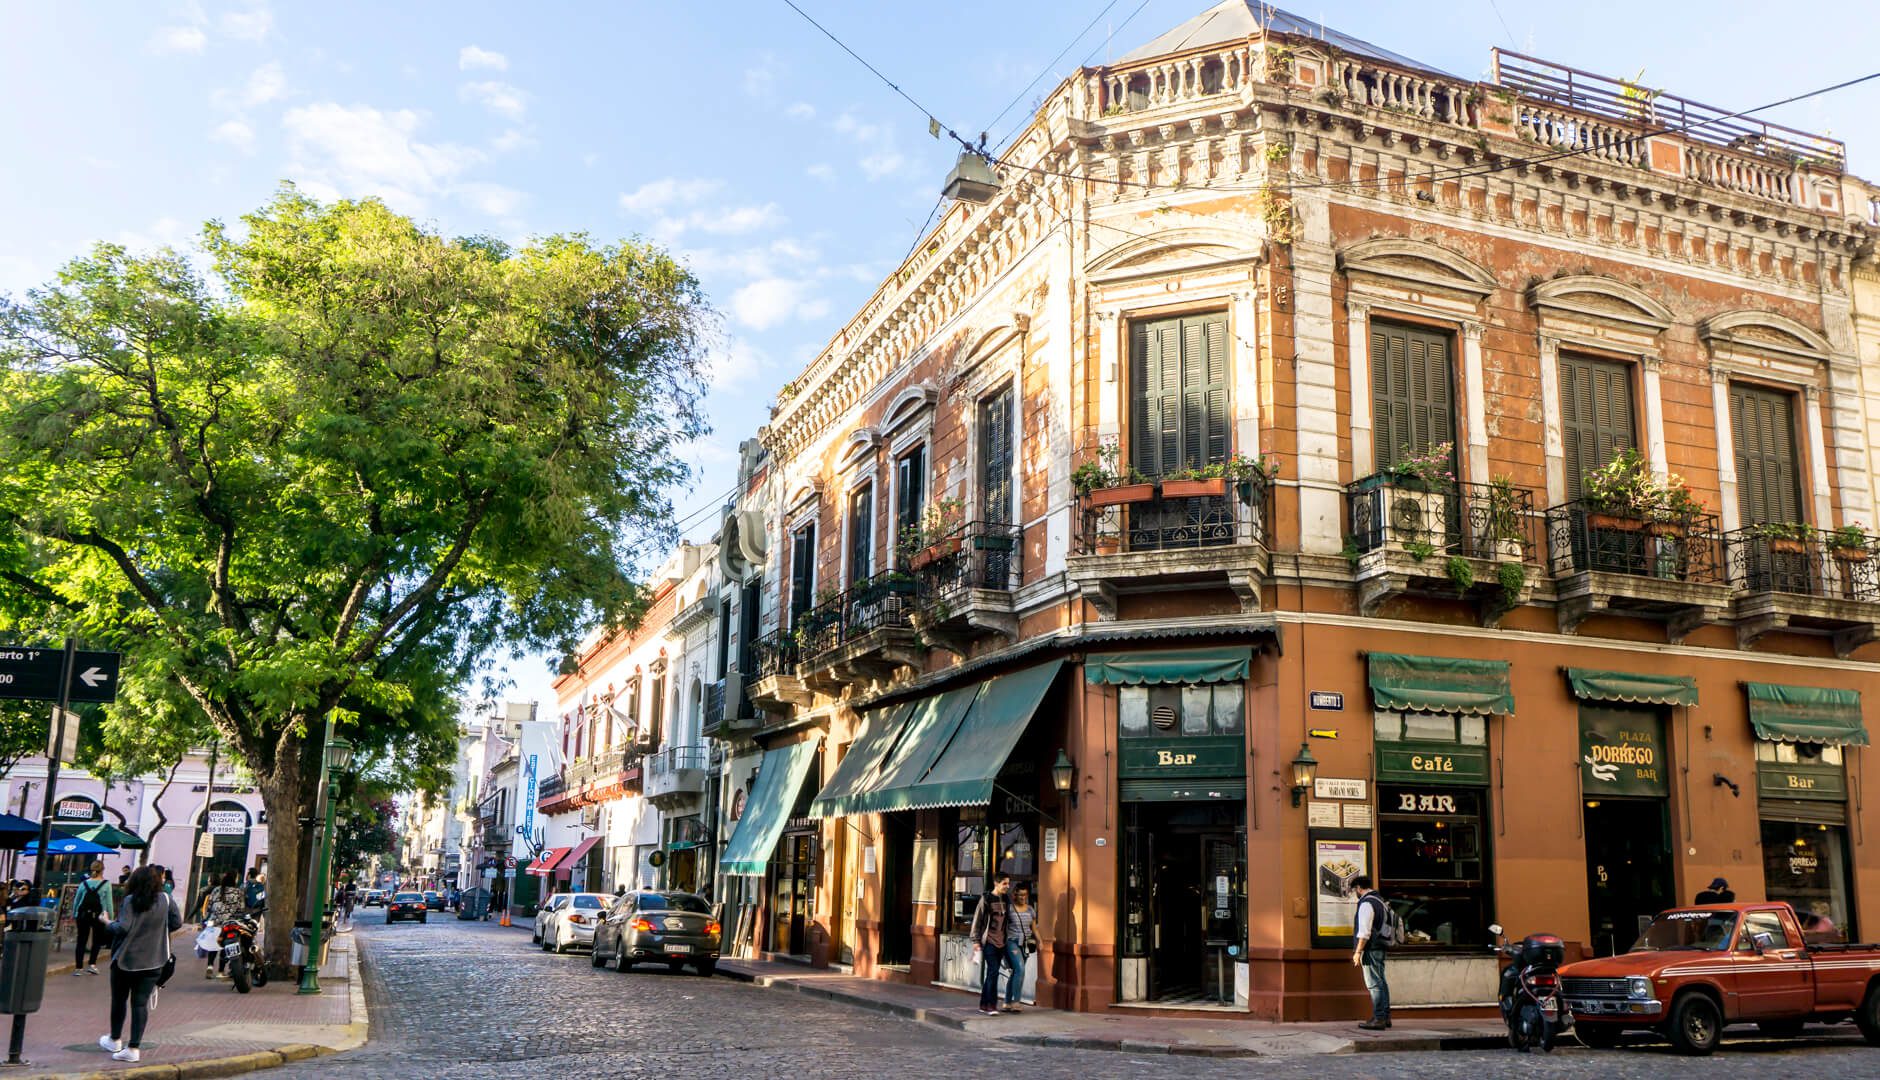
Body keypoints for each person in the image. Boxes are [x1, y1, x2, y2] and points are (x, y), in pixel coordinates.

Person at [99, 865, 180, 1064]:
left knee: (119, 1000)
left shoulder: (130, 900)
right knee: (140, 1003)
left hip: (126, 959)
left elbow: (123, 927)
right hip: (154, 960)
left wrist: (107, 922)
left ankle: (114, 1039)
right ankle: (133, 1047)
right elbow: (177, 922)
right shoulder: (166, 899)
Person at [969, 873, 1012, 1017]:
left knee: (991, 973)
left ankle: (984, 1004)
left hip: (1002, 942)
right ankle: (991, 1005)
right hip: (989, 942)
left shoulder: (1006, 899)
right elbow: (978, 920)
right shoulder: (986, 899)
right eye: (1005, 883)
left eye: (1008, 883)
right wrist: (975, 941)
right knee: (993, 971)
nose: (1007, 886)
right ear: (996, 883)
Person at [1351, 875, 1391, 1030]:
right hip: (1380, 946)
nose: (1355, 893)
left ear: (1359, 888)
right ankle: (1385, 1016)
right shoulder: (1380, 901)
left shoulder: (1367, 903)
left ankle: (1379, 1018)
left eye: (1355, 890)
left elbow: (1364, 932)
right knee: (1381, 981)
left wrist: (1358, 952)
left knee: (1373, 984)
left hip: (1370, 948)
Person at [196, 872, 245, 979]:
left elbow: (209, 906)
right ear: (234, 881)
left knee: (214, 945)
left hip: (215, 922)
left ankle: (209, 967)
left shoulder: (216, 890)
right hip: (229, 923)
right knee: (225, 946)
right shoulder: (238, 892)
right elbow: (241, 909)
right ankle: (220, 971)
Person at [73, 861, 115, 975]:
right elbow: (109, 903)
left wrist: (75, 913)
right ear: (103, 870)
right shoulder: (106, 884)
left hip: (82, 915)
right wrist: (110, 918)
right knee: (97, 941)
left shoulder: (84, 883)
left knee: (81, 940)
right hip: (98, 915)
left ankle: (78, 968)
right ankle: (92, 965)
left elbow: (77, 900)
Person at [1002, 883, 1038, 1013]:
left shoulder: (1030, 909)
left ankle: (1006, 1002)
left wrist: (1040, 941)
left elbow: (1033, 928)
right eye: (1020, 894)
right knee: (1020, 969)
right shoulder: (1010, 909)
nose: (1023, 897)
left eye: (1025, 895)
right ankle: (1016, 1002)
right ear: (1015, 895)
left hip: (1026, 944)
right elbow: (1003, 927)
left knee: (1016, 972)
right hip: (1012, 942)